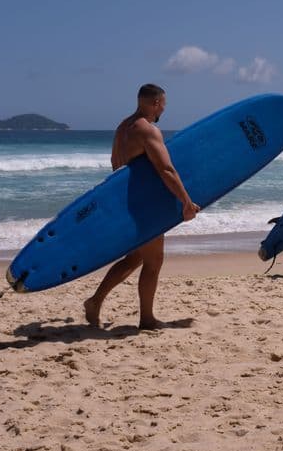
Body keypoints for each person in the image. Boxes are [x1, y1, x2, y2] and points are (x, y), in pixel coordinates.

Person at [84, 83, 200, 329]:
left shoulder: (122, 128)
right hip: (145, 207)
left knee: (136, 257)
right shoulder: (148, 130)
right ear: (155, 103)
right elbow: (166, 169)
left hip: (127, 202)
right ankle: (146, 319)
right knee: (154, 261)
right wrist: (186, 202)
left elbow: (116, 165)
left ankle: (94, 302)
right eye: (163, 105)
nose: (163, 110)